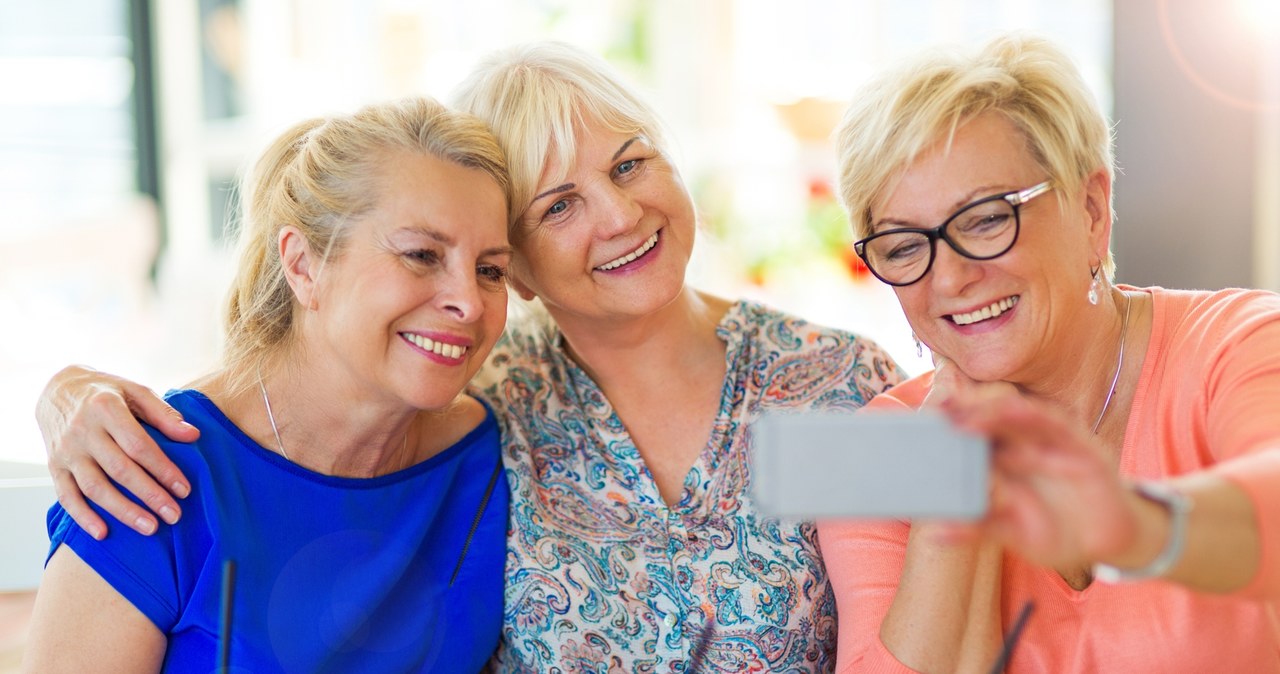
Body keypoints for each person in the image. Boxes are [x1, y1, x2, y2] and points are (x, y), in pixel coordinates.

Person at [31, 43, 905, 672]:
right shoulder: (491, 398)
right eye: (558, 206)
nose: (618, 214)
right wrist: (67, 393)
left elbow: (959, 606)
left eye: (633, 164)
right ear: (518, 266)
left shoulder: (833, 385)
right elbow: (286, 403)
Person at [816, 33, 1280, 673]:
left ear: (1092, 210)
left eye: (984, 220)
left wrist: (1126, 523)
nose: (948, 280)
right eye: (902, 247)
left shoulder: (1237, 341)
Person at [22, 97, 513, 673]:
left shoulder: (497, 457)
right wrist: (59, 388)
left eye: (490, 270)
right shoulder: (151, 474)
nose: (468, 301)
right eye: (421, 255)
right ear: (304, 265)